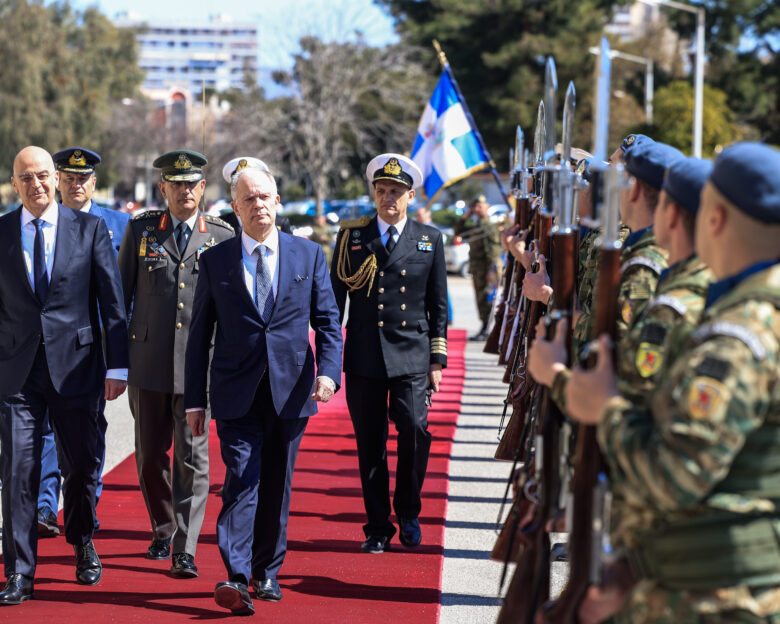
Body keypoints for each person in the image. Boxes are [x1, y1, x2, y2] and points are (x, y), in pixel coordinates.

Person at [566, 142, 780, 623]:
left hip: (715, 599)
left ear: (716, 219)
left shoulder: (739, 338)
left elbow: (674, 475)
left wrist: (605, 408)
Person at [184, 166, 342, 615]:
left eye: (265, 197)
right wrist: (196, 399)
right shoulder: (216, 261)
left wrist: (329, 373)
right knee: (242, 478)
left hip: (292, 392)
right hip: (235, 393)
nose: (259, 206)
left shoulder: (308, 255)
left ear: (278, 201)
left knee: (277, 484)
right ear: (235, 209)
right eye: (249, 199)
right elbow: (199, 337)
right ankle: (235, 575)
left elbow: (329, 322)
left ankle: (267, 572)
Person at [0, 146, 128, 604]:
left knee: (81, 466)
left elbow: (112, 305)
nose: (34, 184)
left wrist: (117, 365)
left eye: (41, 176)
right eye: (24, 178)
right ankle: (19, 573)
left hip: (77, 369)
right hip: (17, 373)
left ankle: (82, 539)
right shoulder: (2, 233)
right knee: (18, 471)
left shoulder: (89, 229)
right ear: (14, 184)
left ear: (55, 179)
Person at [117, 150, 234, 578]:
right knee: (150, 457)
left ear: (203, 188)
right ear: (162, 188)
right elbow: (119, 298)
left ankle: (185, 546)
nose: (184, 191)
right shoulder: (142, 230)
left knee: (193, 458)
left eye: (192, 184)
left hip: (197, 370)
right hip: (147, 365)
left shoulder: (221, 236)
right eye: (176, 184)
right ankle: (163, 527)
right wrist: (116, 363)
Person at [330, 153, 448, 553]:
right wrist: (328, 356)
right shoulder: (352, 237)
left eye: (395, 192)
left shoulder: (429, 238)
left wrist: (437, 358)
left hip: (411, 355)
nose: (387, 198)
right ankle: (378, 526)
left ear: (410, 195)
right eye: (381, 191)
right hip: (364, 355)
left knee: (415, 430)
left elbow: (438, 304)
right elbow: (333, 303)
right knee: (371, 443)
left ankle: (409, 511)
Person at [33, 148, 131, 539]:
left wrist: (121, 355)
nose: (76, 184)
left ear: (94, 182)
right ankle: (44, 506)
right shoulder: (39, 222)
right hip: (46, 344)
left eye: (83, 178)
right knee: (41, 428)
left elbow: (126, 294)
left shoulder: (121, 225)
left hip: (96, 345)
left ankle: (84, 505)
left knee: (89, 431)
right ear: (58, 180)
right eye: (68, 177)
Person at [453, 194, 503, 339]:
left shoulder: (490, 226)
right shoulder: (475, 226)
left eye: (480, 206)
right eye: (474, 207)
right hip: (477, 269)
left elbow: (492, 251)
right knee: (480, 299)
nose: (477, 209)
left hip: (486, 269)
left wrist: (491, 270)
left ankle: (487, 329)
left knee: (487, 298)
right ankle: (484, 327)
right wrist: (466, 216)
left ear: (487, 207)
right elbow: (458, 232)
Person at [219, 157, 292, 235]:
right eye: (249, 199)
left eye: (264, 197)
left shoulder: (281, 223)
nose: (258, 204)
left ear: (276, 201)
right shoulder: (220, 226)